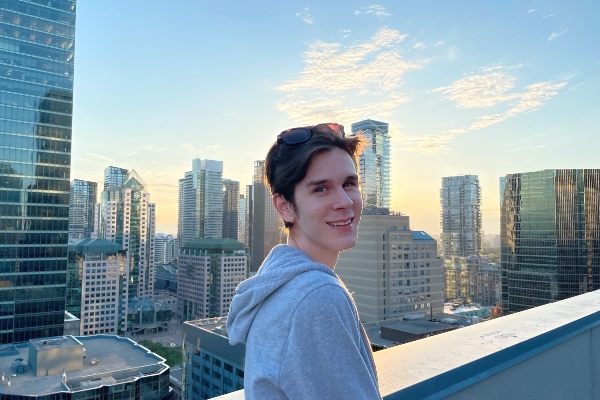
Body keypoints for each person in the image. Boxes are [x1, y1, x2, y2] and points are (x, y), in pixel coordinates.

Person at [226, 123, 381, 399]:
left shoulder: (278, 280)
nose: (344, 201)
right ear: (284, 206)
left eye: (349, 183)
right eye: (321, 189)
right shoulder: (317, 297)